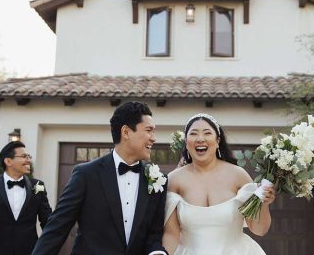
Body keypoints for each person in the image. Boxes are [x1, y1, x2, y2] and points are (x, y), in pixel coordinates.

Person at [32, 101, 168, 255]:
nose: (154, 138)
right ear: (126, 132)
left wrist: (157, 252)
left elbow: (154, 235)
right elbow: (57, 228)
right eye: (149, 130)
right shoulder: (86, 175)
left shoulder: (158, 179)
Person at [163, 113, 276, 255]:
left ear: (217, 141)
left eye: (207, 133)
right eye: (193, 134)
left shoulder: (238, 175)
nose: (200, 139)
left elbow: (259, 229)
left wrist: (264, 203)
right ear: (186, 142)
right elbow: (171, 234)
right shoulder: (174, 180)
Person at [0, 141, 52, 255]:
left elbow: (47, 221)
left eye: (28, 156)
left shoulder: (38, 186)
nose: (28, 160)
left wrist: (47, 247)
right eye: (23, 156)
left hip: (30, 251)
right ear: (8, 161)